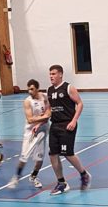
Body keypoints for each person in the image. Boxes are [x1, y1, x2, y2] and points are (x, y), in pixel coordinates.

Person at [47, 64, 90, 194]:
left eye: (53, 74)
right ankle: (62, 183)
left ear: (60, 74)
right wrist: (40, 123)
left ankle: (84, 174)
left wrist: (74, 120)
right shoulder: (49, 90)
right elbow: (49, 109)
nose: (51, 76)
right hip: (54, 125)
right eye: (50, 74)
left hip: (67, 125)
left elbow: (80, 103)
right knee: (53, 154)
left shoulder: (68, 87)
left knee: (67, 154)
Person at [8, 80, 50, 189]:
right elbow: (30, 119)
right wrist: (44, 117)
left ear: (37, 88)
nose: (29, 91)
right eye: (28, 89)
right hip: (30, 132)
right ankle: (16, 177)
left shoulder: (45, 97)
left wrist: (41, 119)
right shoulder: (27, 101)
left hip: (42, 130)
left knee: (39, 159)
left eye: (32, 89)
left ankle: (34, 176)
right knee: (24, 156)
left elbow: (49, 112)